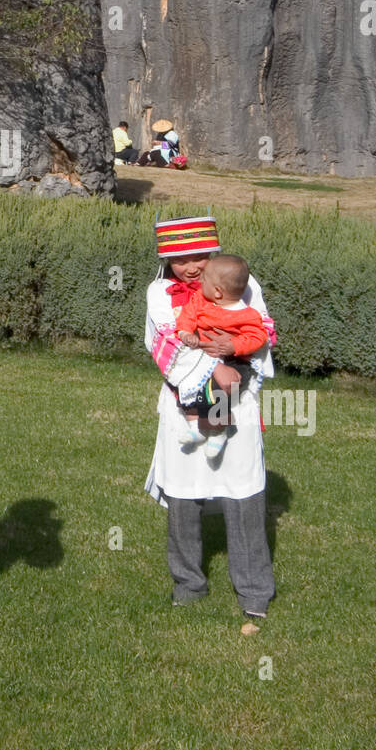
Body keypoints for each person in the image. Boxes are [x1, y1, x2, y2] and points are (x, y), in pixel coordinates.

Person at [143, 216, 277, 621]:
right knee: (184, 493)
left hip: (238, 400)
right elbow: (165, 342)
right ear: (167, 260)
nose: (192, 266)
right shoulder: (160, 292)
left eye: (200, 255)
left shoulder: (243, 282)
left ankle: (254, 589)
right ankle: (188, 583)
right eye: (181, 259)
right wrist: (212, 367)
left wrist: (235, 346)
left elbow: (264, 329)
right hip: (183, 404)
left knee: (244, 492)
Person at [174, 254, 268, 457]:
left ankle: (219, 431)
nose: (199, 281)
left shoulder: (247, 314)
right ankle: (196, 427)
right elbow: (187, 315)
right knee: (188, 382)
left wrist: (233, 345)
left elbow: (257, 336)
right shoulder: (200, 300)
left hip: (235, 363)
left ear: (217, 291)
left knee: (214, 392)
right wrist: (186, 332)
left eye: (204, 279)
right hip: (204, 359)